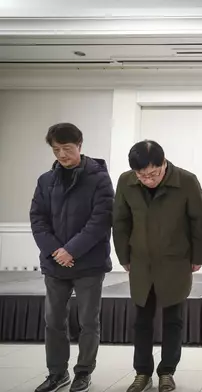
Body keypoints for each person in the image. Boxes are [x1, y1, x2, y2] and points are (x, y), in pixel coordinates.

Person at [112, 140, 202, 392]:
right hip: (141, 262)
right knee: (142, 320)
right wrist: (124, 257)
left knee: (173, 319)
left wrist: (198, 256)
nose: (148, 179)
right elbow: (120, 221)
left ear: (164, 163)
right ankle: (142, 372)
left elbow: (199, 221)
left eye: (153, 173)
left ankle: (167, 371)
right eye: (142, 175)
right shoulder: (126, 182)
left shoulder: (186, 181)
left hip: (175, 260)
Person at [29, 123, 114, 392]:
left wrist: (71, 250)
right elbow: (37, 219)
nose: (62, 155)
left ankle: (83, 372)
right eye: (56, 150)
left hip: (88, 263)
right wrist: (57, 252)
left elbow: (100, 220)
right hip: (55, 264)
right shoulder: (45, 180)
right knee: (54, 321)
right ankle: (57, 373)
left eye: (67, 148)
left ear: (80, 145)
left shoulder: (99, 178)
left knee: (89, 321)